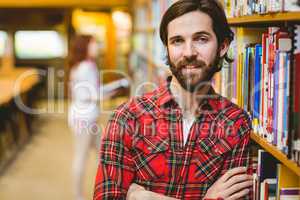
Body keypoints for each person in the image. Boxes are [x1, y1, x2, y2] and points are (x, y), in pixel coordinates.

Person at [93, 0, 253, 199]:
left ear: (222, 46)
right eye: (177, 41)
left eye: (201, 39)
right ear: (167, 49)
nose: (188, 53)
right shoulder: (127, 117)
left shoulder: (236, 122)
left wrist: (145, 197)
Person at [68, 34, 100, 200]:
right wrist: (113, 90)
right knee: (81, 155)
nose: (97, 47)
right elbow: (91, 94)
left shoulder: (79, 65)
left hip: (83, 115)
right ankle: (78, 196)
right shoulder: (87, 67)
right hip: (84, 117)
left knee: (103, 152)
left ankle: (108, 188)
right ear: (85, 46)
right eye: (94, 44)